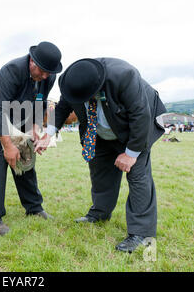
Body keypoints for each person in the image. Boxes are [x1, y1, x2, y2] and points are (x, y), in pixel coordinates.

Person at [35, 58, 167, 252]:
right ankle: (99, 213)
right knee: (99, 170)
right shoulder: (72, 81)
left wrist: (130, 154)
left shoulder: (125, 76)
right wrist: (49, 133)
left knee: (138, 175)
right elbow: (63, 107)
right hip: (98, 131)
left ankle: (141, 232)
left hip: (135, 127)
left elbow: (141, 115)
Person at [0, 41, 62, 236]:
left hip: (17, 117)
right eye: (43, 71)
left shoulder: (49, 75)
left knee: (25, 156)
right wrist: (7, 145)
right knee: (0, 158)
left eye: (49, 72)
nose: (46, 76)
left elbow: (39, 103)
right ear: (32, 62)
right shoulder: (12, 70)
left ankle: (34, 208)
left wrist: (33, 132)